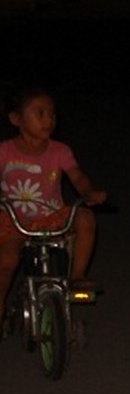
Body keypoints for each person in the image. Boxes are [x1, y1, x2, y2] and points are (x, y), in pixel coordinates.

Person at [0, 86, 107, 304]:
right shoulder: (4, 151)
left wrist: (88, 192)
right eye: (40, 113)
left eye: (52, 114)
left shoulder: (59, 151)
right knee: (6, 262)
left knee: (85, 217)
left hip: (51, 216)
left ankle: (77, 275)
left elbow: (77, 176)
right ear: (16, 119)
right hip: (12, 221)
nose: (48, 120)